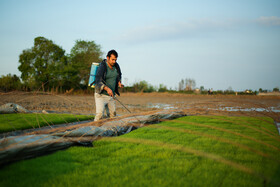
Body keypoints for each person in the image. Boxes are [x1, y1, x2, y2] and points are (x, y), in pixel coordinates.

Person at [94, 49, 123, 121]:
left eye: (115, 60)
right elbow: (98, 80)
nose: (114, 61)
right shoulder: (102, 66)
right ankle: (95, 130)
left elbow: (119, 75)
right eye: (112, 59)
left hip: (111, 96)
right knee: (100, 115)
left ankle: (109, 131)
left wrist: (119, 82)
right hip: (101, 95)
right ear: (108, 58)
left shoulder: (116, 66)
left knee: (113, 115)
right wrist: (107, 88)